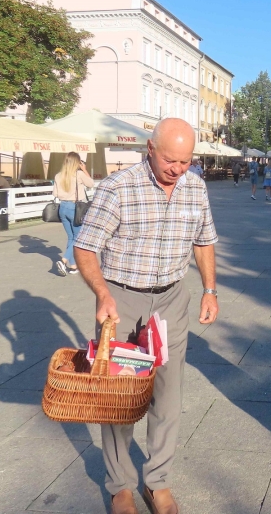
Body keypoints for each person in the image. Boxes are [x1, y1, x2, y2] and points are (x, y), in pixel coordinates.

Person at [73, 118, 218, 514]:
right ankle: (120, 485)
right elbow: (85, 247)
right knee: (119, 397)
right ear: (150, 149)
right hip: (122, 298)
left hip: (172, 299)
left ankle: (158, 481)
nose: (178, 169)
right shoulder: (117, 187)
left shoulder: (195, 187)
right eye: (170, 160)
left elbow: (204, 241)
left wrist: (209, 290)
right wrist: (102, 293)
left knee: (168, 395)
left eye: (186, 161)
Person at [52, 153, 94, 276]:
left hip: (62, 207)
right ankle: (63, 261)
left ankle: (73, 266)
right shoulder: (79, 174)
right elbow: (91, 184)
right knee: (78, 238)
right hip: (75, 208)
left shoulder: (58, 175)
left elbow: (55, 193)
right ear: (77, 163)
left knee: (71, 237)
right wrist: (84, 169)